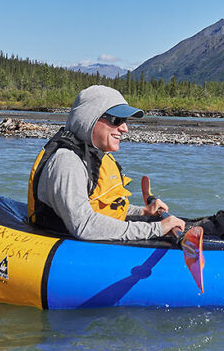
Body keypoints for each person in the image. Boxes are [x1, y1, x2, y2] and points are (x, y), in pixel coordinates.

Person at [27, 85, 185, 240]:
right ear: (89, 120)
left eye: (125, 121)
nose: (125, 128)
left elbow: (102, 206)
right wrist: (157, 229)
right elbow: (84, 225)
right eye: (117, 120)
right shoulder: (67, 162)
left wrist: (143, 212)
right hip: (69, 246)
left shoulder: (94, 155)